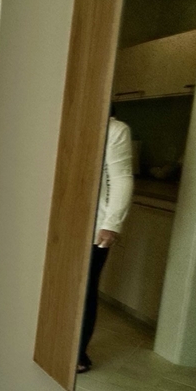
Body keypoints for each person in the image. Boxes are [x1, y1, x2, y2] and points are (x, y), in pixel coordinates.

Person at [78, 115, 133, 373]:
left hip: (93, 226)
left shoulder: (114, 129)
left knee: (84, 290)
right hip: (54, 226)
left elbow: (121, 178)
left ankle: (77, 353)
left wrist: (112, 224)